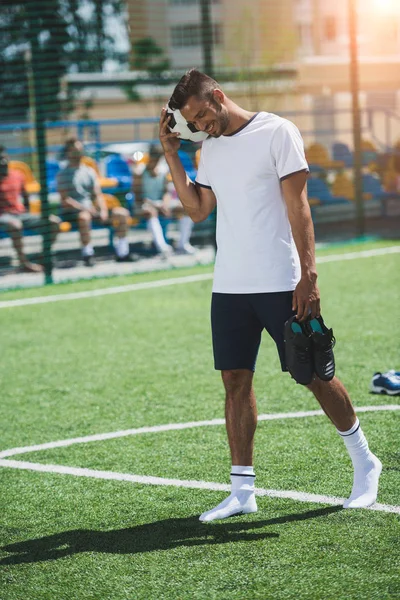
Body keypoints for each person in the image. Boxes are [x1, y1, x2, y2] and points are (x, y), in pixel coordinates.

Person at [159, 69, 382, 522]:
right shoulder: (210, 149)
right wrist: (171, 154)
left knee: (313, 374)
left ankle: (365, 463)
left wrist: (309, 276)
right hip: (230, 285)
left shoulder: (277, 131)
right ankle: (242, 490)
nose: (203, 126)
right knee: (235, 382)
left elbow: (298, 207)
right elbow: (198, 211)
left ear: (218, 96)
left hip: (281, 279)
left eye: (204, 115)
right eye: (194, 123)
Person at [57, 138, 133, 266]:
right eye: (75, 151)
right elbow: (65, 200)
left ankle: (122, 252)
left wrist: (102, 210)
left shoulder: (89, 171)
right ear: (68, 153)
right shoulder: (62, 174)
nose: (78, 153)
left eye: (80, 150)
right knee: (84, 217)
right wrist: (86, 209)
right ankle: (88, 254)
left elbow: (97, 194)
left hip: (92, 210)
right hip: (73, 213)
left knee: (122, 213)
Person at [0, 145, 60, 273]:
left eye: (4, 158)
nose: (3, 161)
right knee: (15, 225)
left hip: (21, 214)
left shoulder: (18, 175)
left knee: (54, 221)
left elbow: (26, 197)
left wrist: (26, 212)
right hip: (3, 216)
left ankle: (43, 257)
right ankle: (24, 263)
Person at [133, 145, 195, 256]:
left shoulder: (163, 170)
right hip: (145, 205)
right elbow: (139, 197)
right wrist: (156, 205)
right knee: (151, 212)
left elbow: (167, 192)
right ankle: (162, 247)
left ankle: (182, 244)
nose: (156, 160)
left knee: (186, 208)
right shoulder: (139, 172)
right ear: (150, 156)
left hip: (161, 204)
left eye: (159, 158)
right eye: (154, 157)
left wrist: (165, 204)